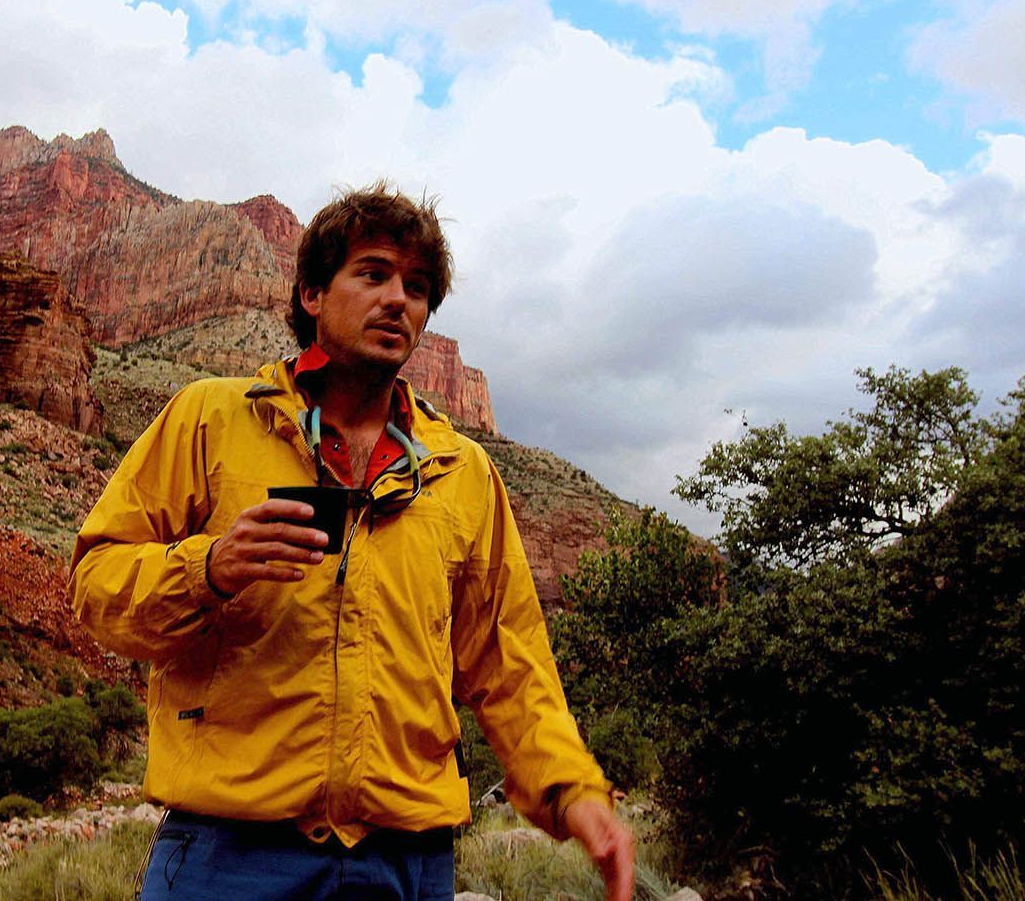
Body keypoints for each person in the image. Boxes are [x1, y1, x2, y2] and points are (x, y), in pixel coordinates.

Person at [70, 182, 634, 900]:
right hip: (229, 854)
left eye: (418, 287)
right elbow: (96, 585)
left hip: (407, 863)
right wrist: (208, 568)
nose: (398, 299)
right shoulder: (208, 420)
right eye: (373, 274)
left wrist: (572, 791)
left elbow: (511, 665)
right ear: (311, 293)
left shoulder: (462, 472)